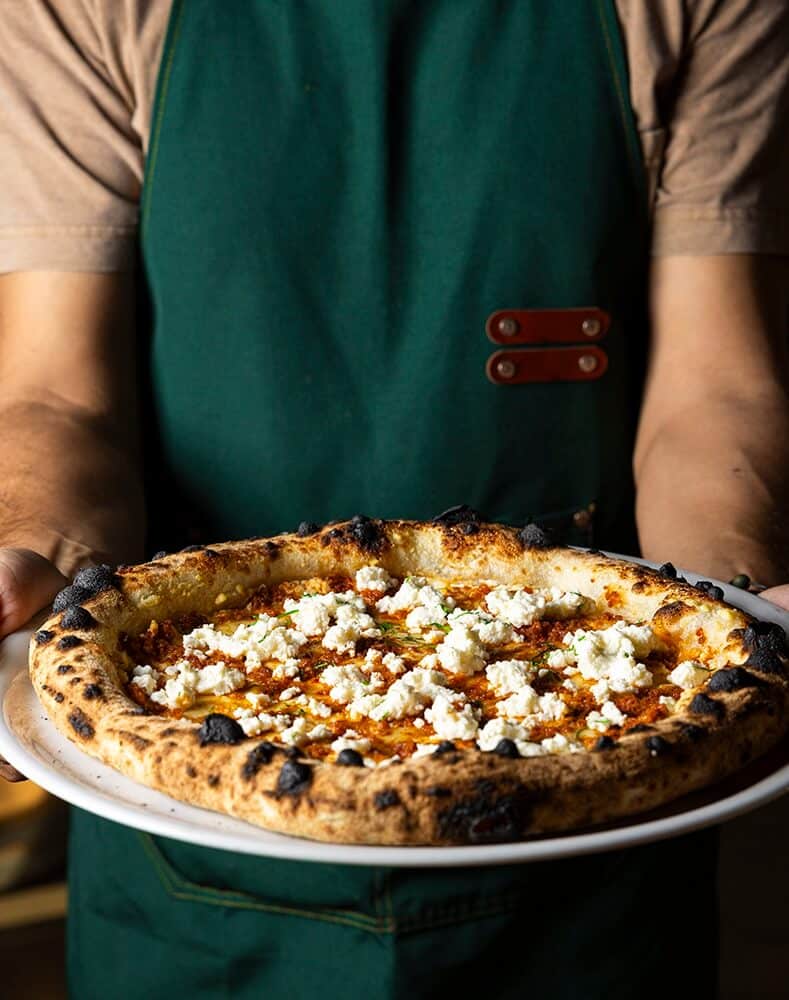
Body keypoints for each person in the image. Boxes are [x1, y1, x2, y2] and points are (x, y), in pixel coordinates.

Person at [1, 1, 788, 997]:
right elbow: (52, 397)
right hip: (191, 853)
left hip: (597, 843)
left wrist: (739, 613)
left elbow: (714, 391)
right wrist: (27, 563)